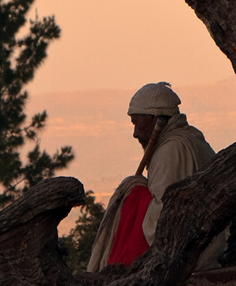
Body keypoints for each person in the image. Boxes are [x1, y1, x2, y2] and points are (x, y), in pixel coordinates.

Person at [86, 82, 223, 271]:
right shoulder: (189, 138)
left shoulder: (170, 151)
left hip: (192, 254)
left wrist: (135, 197)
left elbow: (162, 217)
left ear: (153, 119)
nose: (134, 133)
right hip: (204, 246)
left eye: (136, 123)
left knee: (133, 191)